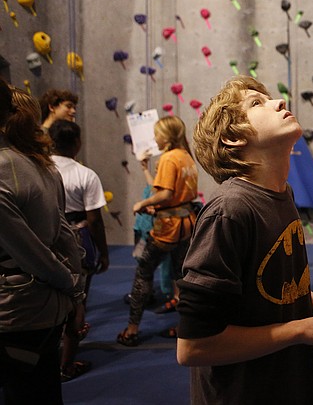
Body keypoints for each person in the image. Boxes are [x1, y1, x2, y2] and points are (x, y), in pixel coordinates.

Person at [177, 76, 313, 404]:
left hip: (289, 383)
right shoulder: (230, 210)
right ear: (234, 138)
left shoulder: (282, 194)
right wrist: (303, 330)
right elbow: (194, 346)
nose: (278, 102)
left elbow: (269, 284)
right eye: (256, 103)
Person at [0, 80, 85, 404]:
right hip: (44, 307)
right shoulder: (44, 166)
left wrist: (70, 287)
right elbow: (64, 235)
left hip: (17, 309)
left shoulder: (12, 168)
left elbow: (32, 253)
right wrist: (75, 292)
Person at [117, 115, 199, 346]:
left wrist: (141, 204)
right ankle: (186, 326)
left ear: (167, 136)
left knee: (144, 272)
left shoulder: (169, 158)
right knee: (181, 276)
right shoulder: (186, 157)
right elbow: (166, 191)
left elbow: (165, 195)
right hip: (186, 224)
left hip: (168, 228)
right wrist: (145, 170)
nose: (154, 137)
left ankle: (132, 329)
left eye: (158, 133)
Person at [48, 119, 110, 381]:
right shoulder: (85, 174)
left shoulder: (40, 169)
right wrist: (103, 251)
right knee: (77, 303)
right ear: (77, 143)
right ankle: (65, 366)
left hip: (46, 237)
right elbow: (94, 219)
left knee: (48, 300)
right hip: (77, 239)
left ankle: (45, 361)